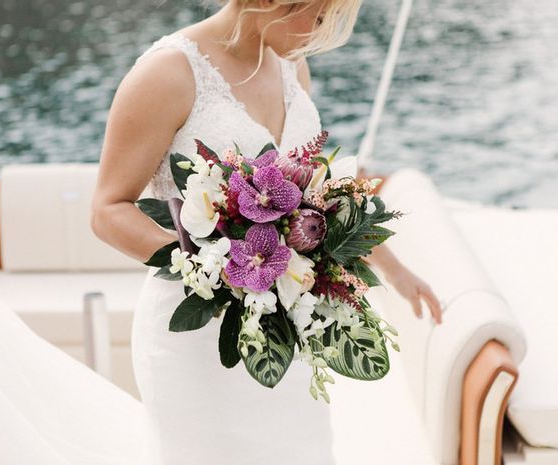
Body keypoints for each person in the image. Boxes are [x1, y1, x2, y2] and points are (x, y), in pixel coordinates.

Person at [90, 0, 443, 464]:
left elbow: (318, 195)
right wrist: (213, 271)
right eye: (318, 16)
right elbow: (107, 209)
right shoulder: (168, 74)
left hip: (285, 334)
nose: (322, 32)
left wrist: (393, 271)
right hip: (197, 341)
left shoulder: (292, 68)